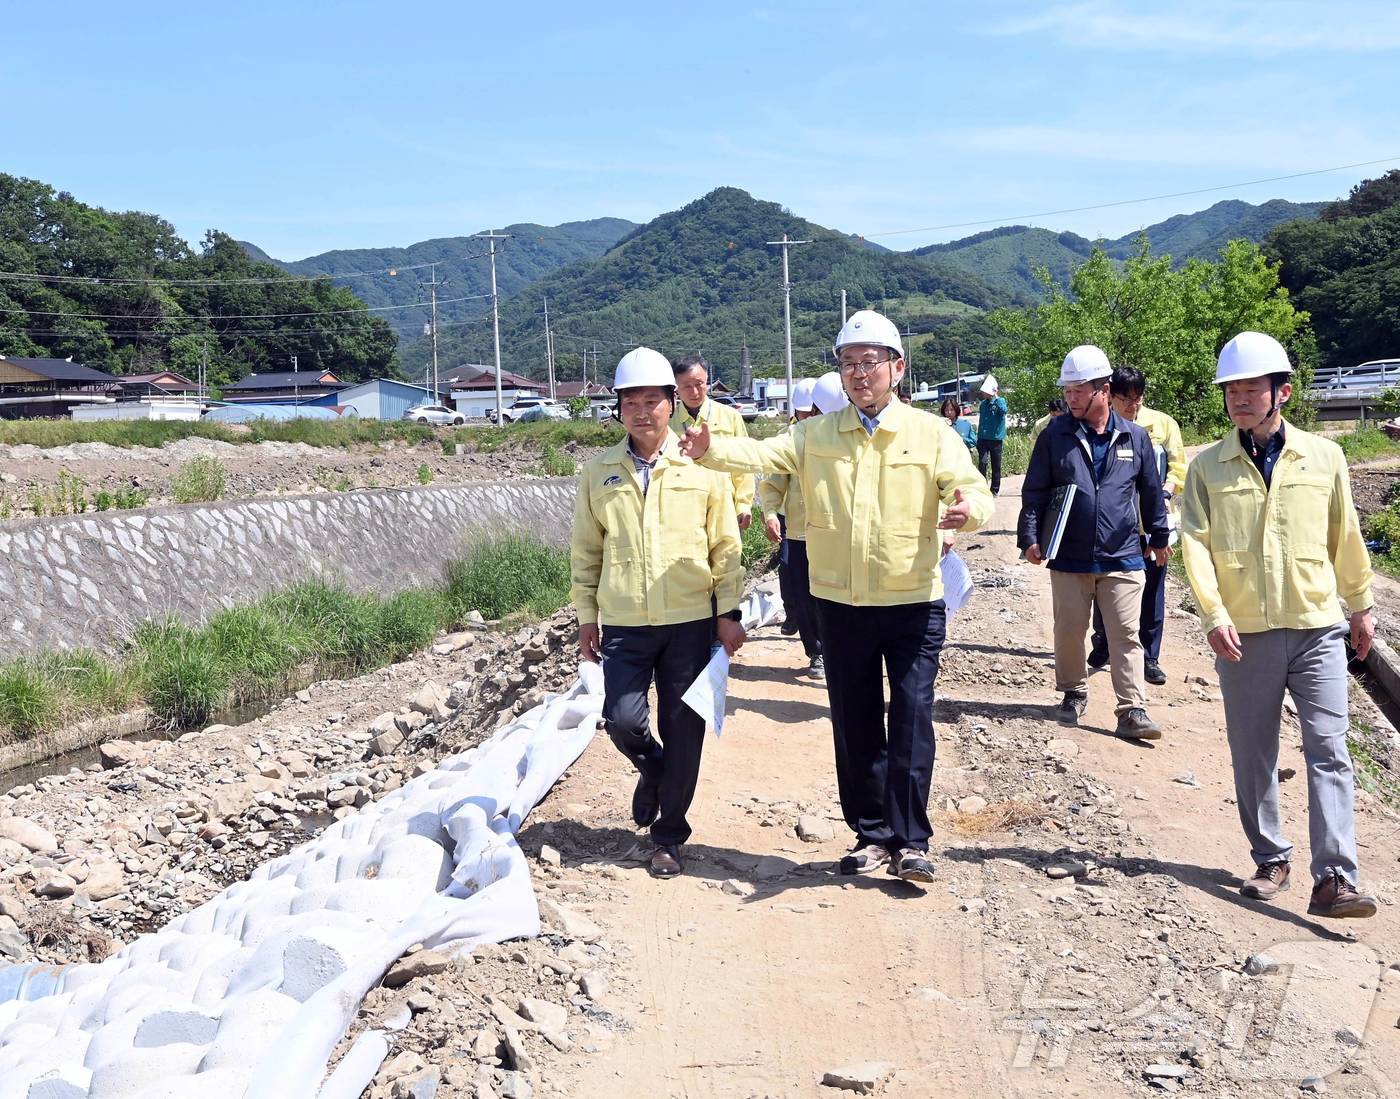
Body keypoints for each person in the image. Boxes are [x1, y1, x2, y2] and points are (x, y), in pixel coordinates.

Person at [679, 310, 993, 884]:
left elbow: (971, 488)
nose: (858, 373)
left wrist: (969, 510)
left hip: (913, 601)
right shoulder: (816, 435)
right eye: (848, 364)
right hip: (840, 602)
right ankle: (871, 834)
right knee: (854, 721)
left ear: (897, 367)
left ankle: (911, 839)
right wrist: (710, 449)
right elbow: (762, 454)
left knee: (913, 716)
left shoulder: (931, 434)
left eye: (869, 362)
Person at [1180, 331, 1377, 919]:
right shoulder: (1208, 467)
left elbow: (1346, 536)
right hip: (1245, 632)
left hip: (1318, 626)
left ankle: (1334, 878)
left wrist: (1361, 604)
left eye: (1251, 387)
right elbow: (1194, 545)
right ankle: (1271, 857)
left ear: (1281, 392)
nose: (1239, 398)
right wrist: (1213, 615)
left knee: (1330, 749)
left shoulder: (1325, 457)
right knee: (1253, 752)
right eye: (1231, 389)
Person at [571, 347, 746, 880]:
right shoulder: (599, 473)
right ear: (618, 409)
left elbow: (725, 545)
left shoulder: (703, 468)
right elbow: (586, 552)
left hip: (691, 620)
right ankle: (655, 769)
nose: (642, 411)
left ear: (674, 404)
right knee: (622, 720)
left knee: (684, 725)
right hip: (624, 619)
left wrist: (728, 612)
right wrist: (586, 615)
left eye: (653, 400)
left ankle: (669, 835)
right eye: (631, 402)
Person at [1017, 345, 1169, 741]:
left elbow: (1151, 492)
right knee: (1069, 630)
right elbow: (1035, 490)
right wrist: (1030, 537)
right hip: (1069, 555)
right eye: (1067, 391)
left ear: (1104, 390)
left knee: (1125, 633)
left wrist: (1159, 536)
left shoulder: (1135, 438)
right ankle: (1073, 691)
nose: (1071, 398)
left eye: (1079, 390)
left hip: (1122, 554)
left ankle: (1131, 709)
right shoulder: (1055, 437)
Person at [1087, 367, 1186, 685]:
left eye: (1138, 398)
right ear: (1109, 395)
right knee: (1106, 586)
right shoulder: (1097, 426)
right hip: (1113, 526)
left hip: (1154, 521)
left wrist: (1165, 495)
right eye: (1125, 398)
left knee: (1154, 589)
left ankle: (1150, 656)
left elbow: (1179, 466)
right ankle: (1102, 641)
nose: (1133, 405)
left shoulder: (1163, 424)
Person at [760, 376, 823, 679]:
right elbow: (773, 482)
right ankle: (817, 652)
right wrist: (770, 512)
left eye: (814, 412)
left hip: (837, 534)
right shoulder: (791, 440)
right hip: (798, 530)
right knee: (804, 594)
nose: (809, 419)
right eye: (804, 413)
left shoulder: (843, 435)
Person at [670, 354, 754, 530]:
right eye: (686, 386)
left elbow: (744, 464)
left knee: (726, 556)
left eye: (699, 384)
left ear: (707, 381)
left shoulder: (730, 417)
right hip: (682, 511)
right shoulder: (668, 423)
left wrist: (743, 506)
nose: (694, 392)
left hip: (725, 509)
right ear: (676, 387)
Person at [976, 375, 1008, 496]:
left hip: (995, 439)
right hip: (983, 438)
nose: (984, 394)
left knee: (996, 465)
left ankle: (994, 489)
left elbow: (1004, 411)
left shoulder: (1000, 401)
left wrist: (995, 397)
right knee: (982, 463)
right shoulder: (983, 404)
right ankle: (982, 487)